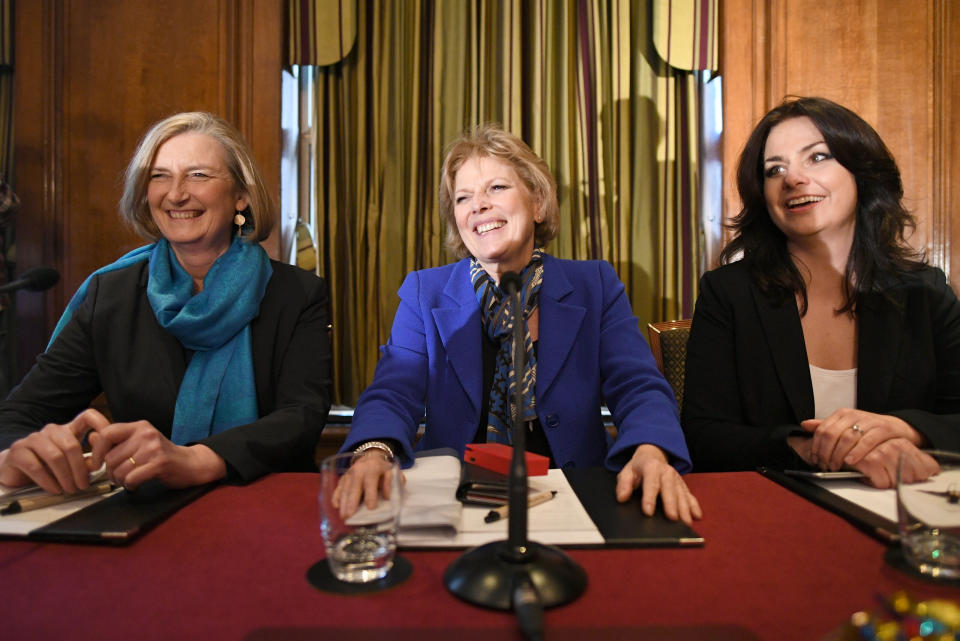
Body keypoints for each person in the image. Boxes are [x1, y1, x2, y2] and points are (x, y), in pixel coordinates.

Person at [334, 124, 701, 525]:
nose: (478, 205)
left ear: (538, 202)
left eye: (496, 188)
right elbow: (393, 390)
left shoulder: (594, 284)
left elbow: (637, 384)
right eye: (462, 197)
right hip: (450, 500)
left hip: (576, 492)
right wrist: (373, 451)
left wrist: (649, 448)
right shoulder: (426, 292)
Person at [0, 112, 332, 494]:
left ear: (241, 194)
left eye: (198, 175)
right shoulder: (109, 295)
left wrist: (194, 459)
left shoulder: (297, 292)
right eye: (159, 176)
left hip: (265, 501)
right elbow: (20, 415)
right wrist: (19, 452)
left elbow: (301, 417)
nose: (175, 194)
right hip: (143, 508)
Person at [682, 96, 960, 487]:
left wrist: (904, 431)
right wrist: (811, 447)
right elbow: (703, 435)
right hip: (779, 511)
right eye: (774, 169)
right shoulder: (728, 293)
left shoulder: (926, 292)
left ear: (860, 170)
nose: (792, 179)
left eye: (817, 157)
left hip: (903, 511)